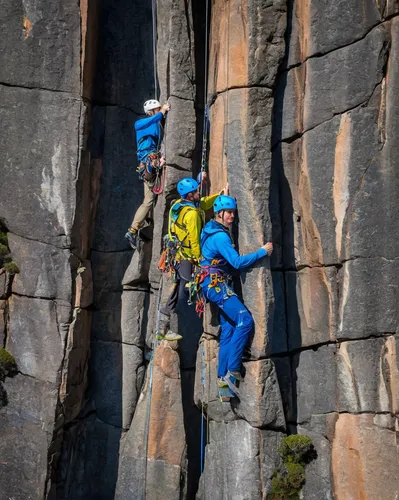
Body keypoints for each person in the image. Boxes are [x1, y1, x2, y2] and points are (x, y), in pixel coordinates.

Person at [199, 195, 273, 398]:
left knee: (229, 328)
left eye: (233, 212)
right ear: (219, 213)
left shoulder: (212, 228)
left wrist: (224, 191)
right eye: (229, 212)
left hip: (212, 283)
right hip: (216, 285)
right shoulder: (220, 237)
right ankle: (232, 371)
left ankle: (222, 382)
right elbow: (237, 262)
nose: (232, 216)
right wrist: (262, 252)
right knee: (245, 320)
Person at [158, 177, 228, 341]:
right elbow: (195, 239)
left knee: (179, 287)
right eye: (196, 191)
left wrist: (219, 195)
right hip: (187, 257)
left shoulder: (177, 206)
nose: (198, 193)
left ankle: (163, 324)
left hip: (175, 254)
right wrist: (201, 260)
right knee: (187, 287)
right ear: (190, 195)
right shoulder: (192, 216)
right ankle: (164, 324)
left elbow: (202, 203)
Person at [125, 99, 171, 249]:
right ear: (151, 112)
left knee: (148, 200)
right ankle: (134, 229)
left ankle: (135, 229)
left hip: (152, 159)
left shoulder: (156, 126)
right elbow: (156, 118)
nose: (159, 112)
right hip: (148, 160)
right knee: (149, 200)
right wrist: (163, 110)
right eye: (156, 110)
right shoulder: (140, 124)